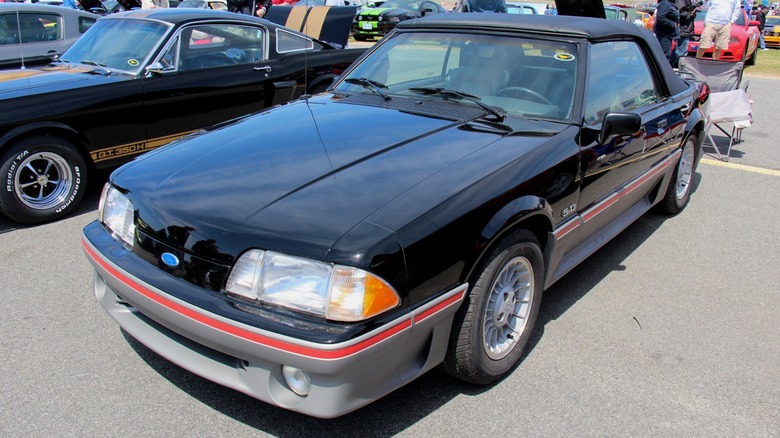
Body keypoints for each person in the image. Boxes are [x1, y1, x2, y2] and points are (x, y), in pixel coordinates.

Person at [654, 0, 680, 66]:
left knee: (670, 54)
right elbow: (660, 18)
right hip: (664, 35)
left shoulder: (671, 4)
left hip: (670, 34)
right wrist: (673, 24)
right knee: (664, 56)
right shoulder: (665, 4)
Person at [675, 0, 697, 65]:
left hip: (686, 28)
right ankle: (681, 69)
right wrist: (690, 14)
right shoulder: (681, 1)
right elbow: (679, 13)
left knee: (680, 50)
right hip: (683, 29)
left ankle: (672, 65)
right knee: (682, 52)